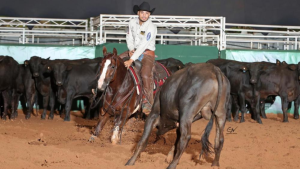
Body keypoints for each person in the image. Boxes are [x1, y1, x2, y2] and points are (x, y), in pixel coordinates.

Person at [124, 2, 157, 115]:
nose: (144, 15)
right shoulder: (132, 22)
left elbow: (144, 45)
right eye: (142, 12)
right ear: (138, 13)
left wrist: (131, 59)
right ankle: (103, 87)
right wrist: (131, 48)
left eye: (146, 13)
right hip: (134, 50)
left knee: (145, 74)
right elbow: (129, 36)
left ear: (149, 15)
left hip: (147, 53)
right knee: (115, 61)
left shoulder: (151, 27)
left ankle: (147, 102)